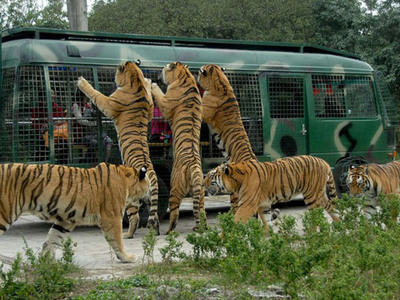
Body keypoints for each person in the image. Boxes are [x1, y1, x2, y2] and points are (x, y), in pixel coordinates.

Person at [72, 93, 113, 163]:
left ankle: (104, 162)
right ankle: (89, 162)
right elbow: (80, 120)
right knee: (96, 143)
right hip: (81, 134)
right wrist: (94, 123)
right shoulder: (76, 105)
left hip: (93, 133)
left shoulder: (89, 105)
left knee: (107, 141)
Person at [31, 89, 68, 163]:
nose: (53, 96)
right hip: (44, 136)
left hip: (57, 135)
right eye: (51, 94)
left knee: (64, 145)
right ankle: (39, 165)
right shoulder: (37, 109)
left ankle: (62, 165)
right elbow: (34, 124)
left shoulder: (58, 108)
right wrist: (44, 126)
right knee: (41, 147)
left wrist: (58, 122)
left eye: (53, 94)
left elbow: (63, 120)